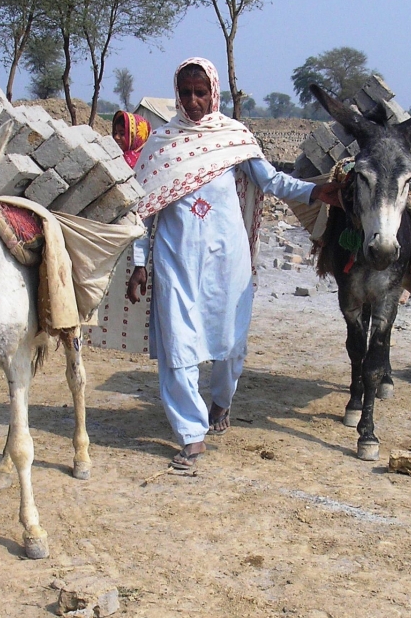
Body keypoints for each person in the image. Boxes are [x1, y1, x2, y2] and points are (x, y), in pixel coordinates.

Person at [126, 57, 340, 471]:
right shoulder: (162, 143)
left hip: (227, 259)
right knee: (178, 345)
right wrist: (140, 264)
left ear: (214, 94)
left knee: (228, 343)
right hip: (175, 259)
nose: (192, 100)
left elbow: (272, 181)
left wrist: (317, 194)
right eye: (186, 92)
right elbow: (144, 211)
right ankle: (191, 436)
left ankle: (221, 402)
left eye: (200, 92)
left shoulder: (233, 137)